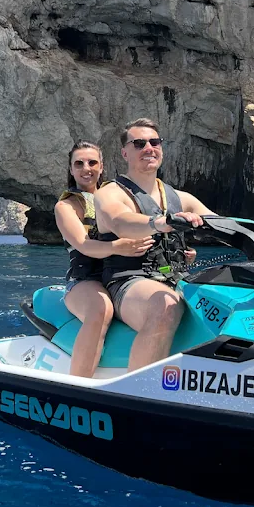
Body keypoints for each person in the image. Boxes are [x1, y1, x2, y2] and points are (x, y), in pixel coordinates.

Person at [94, 118, 215, 370]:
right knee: (165, 305)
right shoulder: (109, 193)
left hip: (177, 278)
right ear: (125, 153)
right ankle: (138, 389)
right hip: (128, 281)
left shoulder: (180, 198)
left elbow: (224, 222)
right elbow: (120, 221)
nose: (148, 148)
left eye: (154, 142)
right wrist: (159, 223)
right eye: (139, 144)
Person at [54, 141, 154, 377]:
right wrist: (117, 247)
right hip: (86, 280)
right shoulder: (66, 206)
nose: (86, 168)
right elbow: (83, 245)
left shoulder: (116, 198)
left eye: (92, 162)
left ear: (101, 166)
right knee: (101, 309)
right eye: (79, 164)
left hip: (123, 276)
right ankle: (78, 384)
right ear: (71, 169)